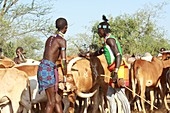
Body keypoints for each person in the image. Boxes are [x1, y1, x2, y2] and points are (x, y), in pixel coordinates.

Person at [85, 15, 130, 113]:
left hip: (119, 69)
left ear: (104, 30)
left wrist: (116, 71)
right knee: (109, 95)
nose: (98, 32)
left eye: (99, 30)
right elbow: (99, 52)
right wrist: (87, 54)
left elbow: (118, 55)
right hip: (114, 70)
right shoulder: (106, 41)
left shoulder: (110, 40)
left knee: (120, 95)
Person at [37, 17, 68, 113]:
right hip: (48, 70)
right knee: (51, 101)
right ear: (66, 27)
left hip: (42, 68)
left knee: (57, 99)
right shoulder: (62, 41)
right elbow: (63, 61)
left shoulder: (49, 38)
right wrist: (65, 76)